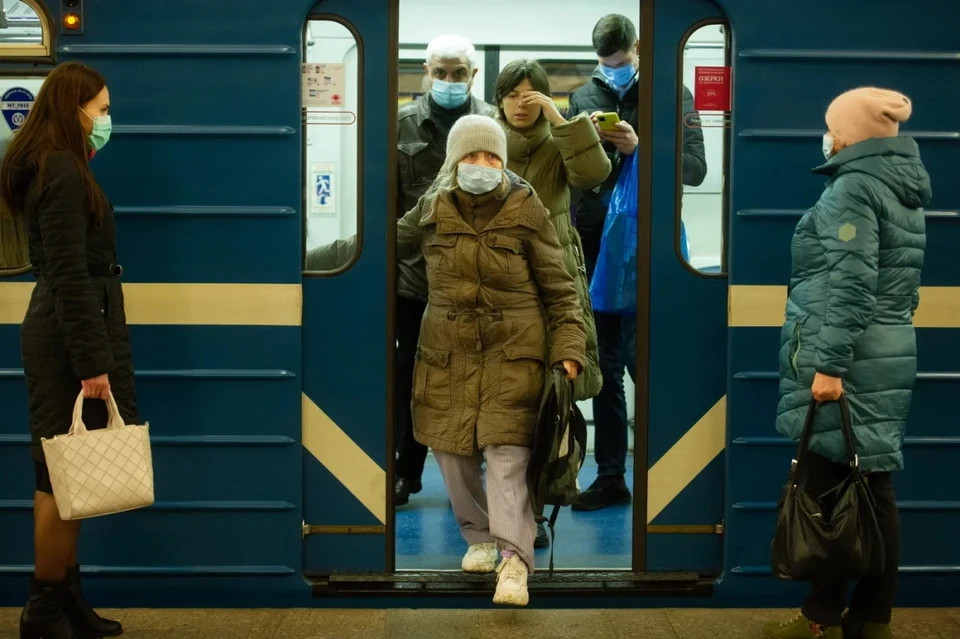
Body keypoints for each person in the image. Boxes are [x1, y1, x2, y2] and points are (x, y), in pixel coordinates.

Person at [396, 114, 586, 606]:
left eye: (492, 157)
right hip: (447, 356)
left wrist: (569, 351)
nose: (482, 166)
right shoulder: (431, 209)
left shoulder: (528, 210)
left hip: (515, 354)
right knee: (452, 453)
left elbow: (562, 290)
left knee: (507, 457)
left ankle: (514, 562)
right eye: (472, 157)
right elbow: (378, 248)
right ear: (454, 162)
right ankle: (479, 536)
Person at [763, 87, 929, 639]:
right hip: (883, 352)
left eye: (830, 126)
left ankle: (826, 618)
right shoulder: (899, 188)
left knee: (830, 493)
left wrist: (830, 365)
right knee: (867, 487)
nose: (826, 134)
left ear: (850, 134)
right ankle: (864, 618)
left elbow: (852, 285)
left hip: (849, 364)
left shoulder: (853, 189)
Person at [0, 61, 137, 639]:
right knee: (59, 479)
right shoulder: (59, 168)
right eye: (101, 110)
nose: (106, 120)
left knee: (70, 475)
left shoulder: (64, 165)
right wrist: (92, 366)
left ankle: (68, 598)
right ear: (75, 108)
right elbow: (66, 274)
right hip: (66, 339)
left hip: (72, 331)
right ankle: (44, 610)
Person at [566, 13, 706, 511]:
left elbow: (694, 170)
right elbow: (573, 177)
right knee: (603, 370)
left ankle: (663, 473)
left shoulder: (674, 95)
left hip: (651, 247)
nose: (614, 71)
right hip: (596, 247)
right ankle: (610, 477)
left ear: (639, 47)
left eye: (621, 62)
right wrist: (595, 153)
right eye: (605, 64)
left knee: (648, 366)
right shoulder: (583, 99)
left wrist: (641, 149)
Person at [494, 58, 610, 547]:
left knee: (549, 401)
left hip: (554, 279)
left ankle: (535, 510)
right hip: (497, 281)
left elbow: (593, 172)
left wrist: (563, 121)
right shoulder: (483, 140)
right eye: (512, 93)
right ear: (499, 99)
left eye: (531, 93)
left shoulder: (557, 141)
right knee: (504, 404)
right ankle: (504, 512)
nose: (522, 102)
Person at [394, 34, 497, 506]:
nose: (449, 81)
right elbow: (392, 207)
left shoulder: (493, 124)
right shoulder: (402, 127)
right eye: (441, 72)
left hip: (481, 281)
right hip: (416, 281)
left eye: (459, 73)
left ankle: (478, 484)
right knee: (410, 379)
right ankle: (405, 471)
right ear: (426, 71)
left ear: (473, 75)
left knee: (479, 381)